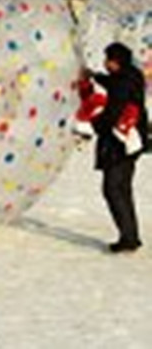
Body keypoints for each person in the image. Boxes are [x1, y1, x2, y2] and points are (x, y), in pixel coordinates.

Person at [81, 42, 148, 253]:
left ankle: (128, 238)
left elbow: (112, 113)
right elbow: (113, 83)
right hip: (132, 141)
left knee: (113, 188)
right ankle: (130, 236)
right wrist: (96, 76)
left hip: (120, 143)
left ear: (116, 61)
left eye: (108, 59)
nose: (105, 62)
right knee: (122, 189)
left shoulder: (122, 82)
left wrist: (90, 126)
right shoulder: (130, 76)